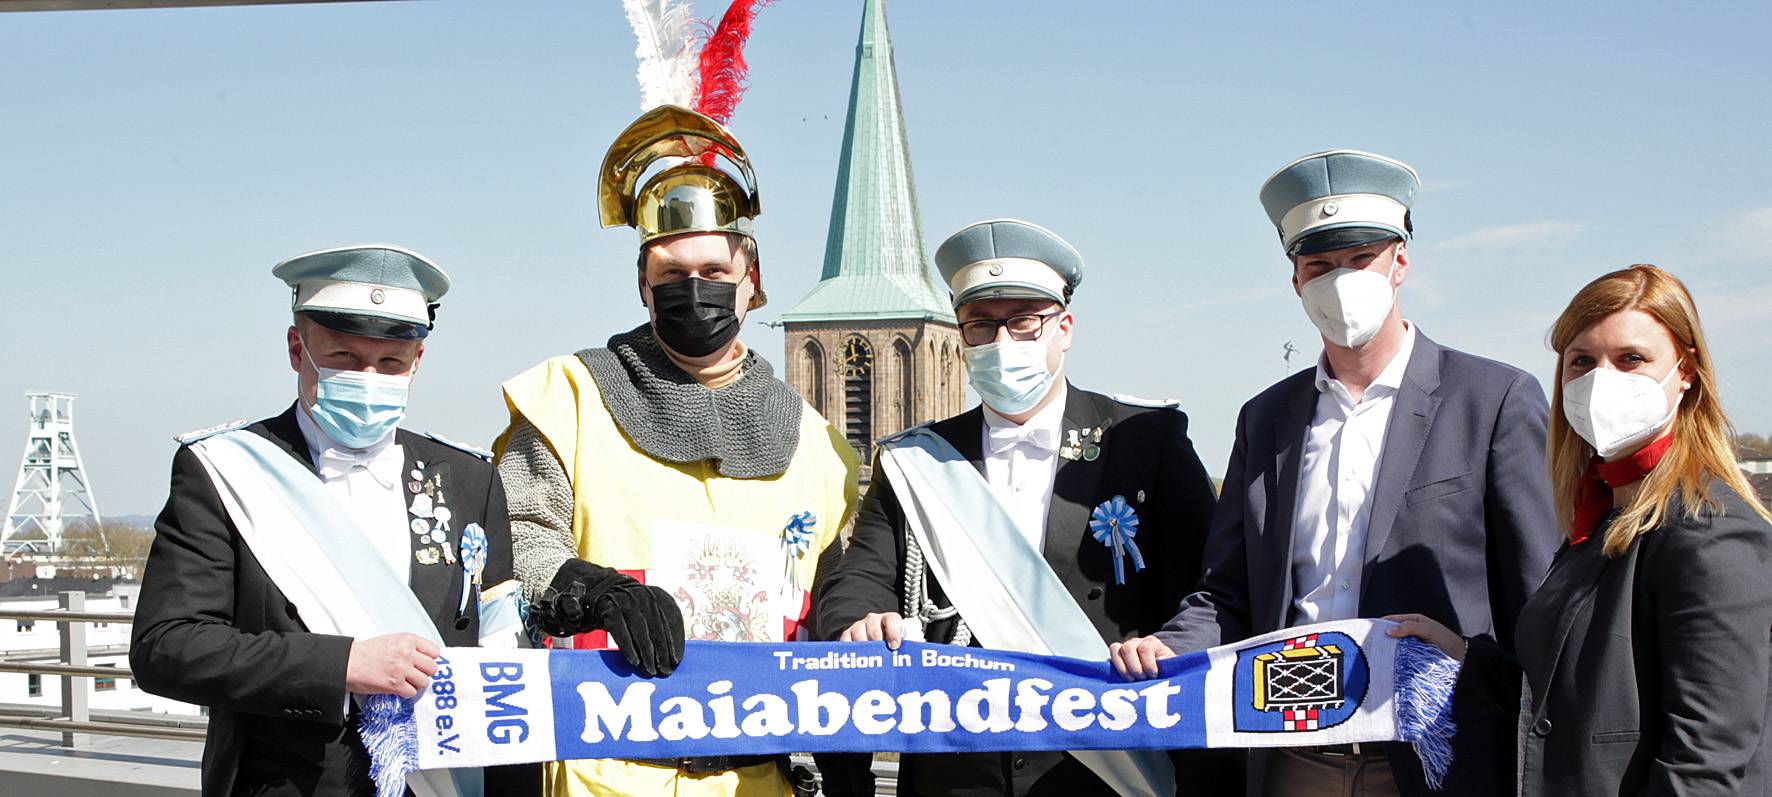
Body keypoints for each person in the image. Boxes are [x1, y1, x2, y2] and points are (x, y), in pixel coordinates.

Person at [1111, 150, 1560, 797]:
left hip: (1441, 751)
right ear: (1295, 281)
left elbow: (1541, 604)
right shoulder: (1265, 419)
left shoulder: (1493, 400)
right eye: (1318, 266)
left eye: (1359, 260)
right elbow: (1229, 590)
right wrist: (1170, 643)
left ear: (1400, 262)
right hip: (1295, 754)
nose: (1339, 281)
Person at [495, 105, 857, 797]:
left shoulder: (819, 443)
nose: (695, 289)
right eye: (672, 272)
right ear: (643, 284)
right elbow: (515, 542)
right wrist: (590, 590)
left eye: (715, 268)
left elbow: (834, 608)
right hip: (601, 768)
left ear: (751, 278)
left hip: (759, 777)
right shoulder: (567, 395)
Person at [814, 219, 1238, 797]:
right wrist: (858, 619)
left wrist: (1171, 645)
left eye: (1023, 321)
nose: (1001, 342)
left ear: (1064, 329)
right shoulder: (916, 461)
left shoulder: (1146, 440)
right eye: (981, 325)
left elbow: (1211, 586)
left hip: (1108, 765)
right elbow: (859, 577)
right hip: (956, 768)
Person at [131, 244, 534, 796]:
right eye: (344, 358)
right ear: (298, 348)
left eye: (390, 363)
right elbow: (167, 647)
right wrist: (342, 663)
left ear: (417, 362)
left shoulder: (470, 479)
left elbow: (501, 652)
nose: (369, 378)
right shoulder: (224, 469)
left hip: (444, 783)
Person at [1389, 264, 1772, 795]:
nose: (1601, 381)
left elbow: (1706, 763)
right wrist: (1462, 654)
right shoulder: (1600, 517)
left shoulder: (1711, 529)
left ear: (1685, 371)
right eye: (1583, 362)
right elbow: (1571, 695)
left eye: (1632, 359)